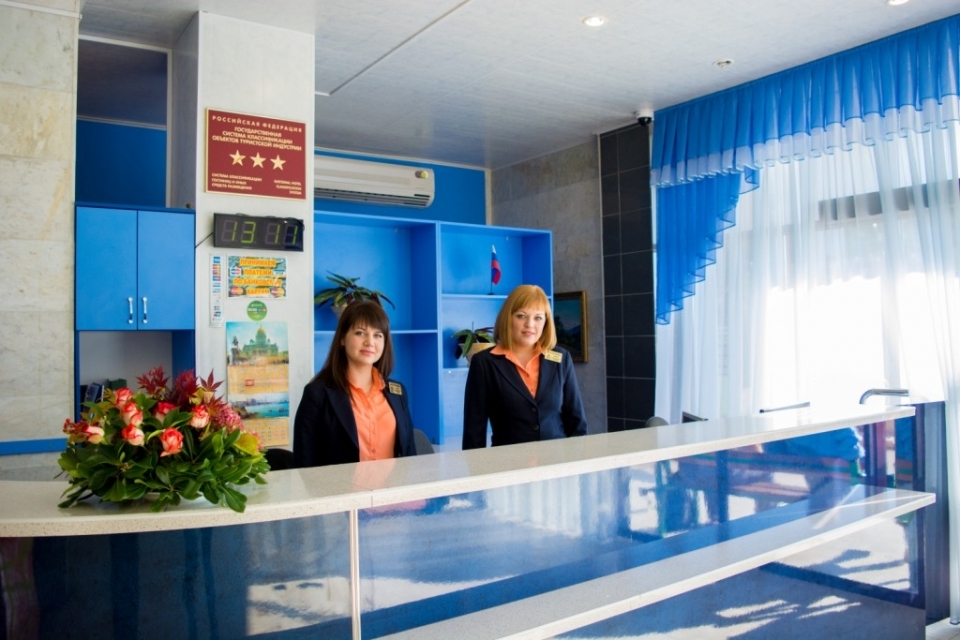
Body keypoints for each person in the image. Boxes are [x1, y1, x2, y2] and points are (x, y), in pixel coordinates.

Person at [462, 284, 587, 449]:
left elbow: (576, 422)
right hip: (508, 462)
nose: (530, 324)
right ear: (508, 318)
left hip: (557, 460)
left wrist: (577, 462)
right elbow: (473, 432)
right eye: (521, 316)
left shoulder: (561, 358)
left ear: (546, 322)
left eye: (538, 318)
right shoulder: (484, 363)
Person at [293, 300, 416, 467]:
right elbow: (304, 463)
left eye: (378, 335)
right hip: (340, 485)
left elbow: (409, 454)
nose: (370, 342)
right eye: (360, 333)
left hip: (393, 484)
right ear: (342, 338)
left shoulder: (397, 392)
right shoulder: (317, 394)